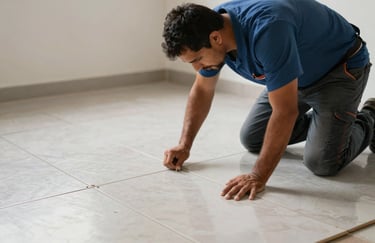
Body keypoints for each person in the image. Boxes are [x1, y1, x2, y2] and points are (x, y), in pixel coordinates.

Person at [161, 0, 374, 201]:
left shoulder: (268, 30)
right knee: (253, 138)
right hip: (295, 77)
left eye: (197, 60)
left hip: (338, 71)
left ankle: (370, 115)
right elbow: (202, 90)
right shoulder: (211, 26)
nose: (197, 68)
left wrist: (258, 176)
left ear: (216, 38)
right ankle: (328, 125)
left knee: (322, 163)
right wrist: (184, 145)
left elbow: (285, 112)